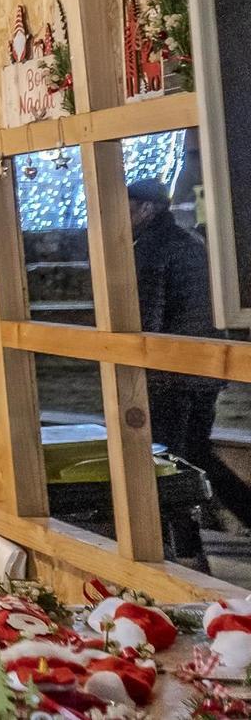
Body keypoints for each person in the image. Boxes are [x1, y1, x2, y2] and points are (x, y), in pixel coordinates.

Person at [131, 178, 251, 543]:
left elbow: (146, 318)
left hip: (172, 375)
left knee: (170, 461)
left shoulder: (152, 250)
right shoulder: (190, 243)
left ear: (148, 209)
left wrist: (136, 362)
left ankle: (184, 542)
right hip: (204, 370)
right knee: (194, 453)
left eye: (128, 206)